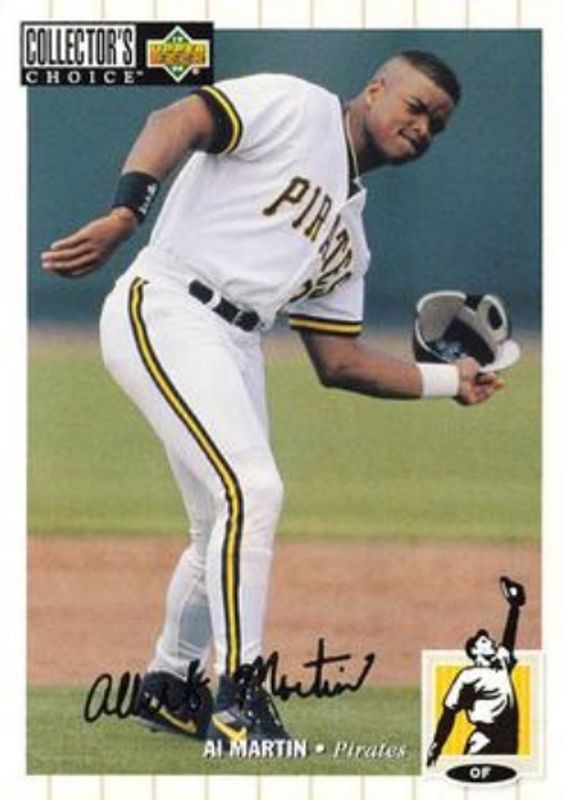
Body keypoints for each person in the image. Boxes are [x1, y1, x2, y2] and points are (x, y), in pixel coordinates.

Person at [41, 50, 504, 746]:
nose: (422, 128)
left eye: (436, 124)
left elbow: (339, 362)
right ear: (374, 89)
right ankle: (241, 699)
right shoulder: (298, 106)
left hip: (237, 343)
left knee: (219, 524)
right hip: (168, 303)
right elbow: (177, 117)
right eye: (415, 107)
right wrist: (125, 213)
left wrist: (450, 381)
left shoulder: (349, 232)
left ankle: (170, 688)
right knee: (252, 491)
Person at [427, 578, 525, 765]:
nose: (491, 642)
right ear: (474, 651)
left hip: (510, 740)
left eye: (489, 640)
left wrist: (514, 608)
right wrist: (437, 744)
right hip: (484, 739)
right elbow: (449, 712)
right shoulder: (468, 676)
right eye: (484, 641)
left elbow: (508, 640)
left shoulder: (501, 664)